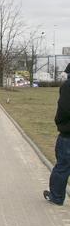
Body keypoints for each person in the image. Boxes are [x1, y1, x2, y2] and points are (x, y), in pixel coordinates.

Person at [44, 63, 70, 205]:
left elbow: (64, 108)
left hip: (68, 134)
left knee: (62, 166)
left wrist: (59, 122)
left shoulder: (67, 86)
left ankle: (57, 196)